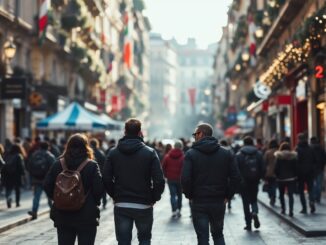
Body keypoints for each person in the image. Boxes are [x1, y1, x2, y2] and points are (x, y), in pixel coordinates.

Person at [103, 118, 165, 245]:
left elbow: (106, 178)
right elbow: (159, 180)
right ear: (139, 132)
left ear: (125, 132)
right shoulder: (150, 153)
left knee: (123, 241)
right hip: (144, 204)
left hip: (122, 204)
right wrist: (153, 197)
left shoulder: (113, 153)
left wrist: (115, 195)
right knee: (144, 240)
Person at [181, 123, 240, 245]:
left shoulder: (191, 154)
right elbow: (235, 177)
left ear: (201, 134)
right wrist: (227, 196)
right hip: (218, 200)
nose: (194, 137)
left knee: (203, 237)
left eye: (195, 134)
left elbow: (186, 179)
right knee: (218, 234)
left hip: (199, 201)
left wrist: (190, 195)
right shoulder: (226, 153)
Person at [44, 133, 104, 245]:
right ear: (86, 146)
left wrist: (59, 198)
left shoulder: (58, 164)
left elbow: (47, 184)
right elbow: (99, 189)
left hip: (63, 215)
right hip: (87, 216)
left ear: (68, 146)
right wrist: (93, 202)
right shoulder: (91, 165)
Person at [236, 136, 264, 231]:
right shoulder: (258, 154)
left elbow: (236, 170)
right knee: (254, 199)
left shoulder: (239, 155)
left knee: (245, 203)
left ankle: (248, 224)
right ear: (252, 143)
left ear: (243, 143)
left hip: (243, 182)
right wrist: (259, 178)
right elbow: (263, 168)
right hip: (255, 181)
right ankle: (255, 212)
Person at [27, 141, 55, 219]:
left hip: (36, 180)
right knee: (50, 197)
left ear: (40, 147)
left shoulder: (34, 155)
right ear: (48, 147)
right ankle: (54, 211)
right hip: (47, 181)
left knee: (36, 197)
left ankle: (34, 212)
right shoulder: (49, 155)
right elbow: (54, 168)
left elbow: (29, 166)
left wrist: (33, 176)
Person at [162, 140, 184, 218]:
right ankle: (179, 209)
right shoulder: (183, 157)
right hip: (180, 179)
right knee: (179, 195)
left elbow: (163, 167)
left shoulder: (167, 156)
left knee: (172, 195)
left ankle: (174, 210)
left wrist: (166, 176)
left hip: (170, 179)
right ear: (181, 147)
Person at [295, 133, 317, 214]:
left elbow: (296, 162)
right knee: (310, 189)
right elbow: (315, 161)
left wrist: (296, 173)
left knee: (301, 191)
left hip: (300, 174)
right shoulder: (310, 148)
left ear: (299, 139)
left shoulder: (297, 149)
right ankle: (311, 202)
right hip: (310, 172)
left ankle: (304, 208)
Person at [274, 142, 298, 217]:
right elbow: (296, 168)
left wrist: (277, 175)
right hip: (291, 179)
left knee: (281, 195)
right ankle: (291, 211)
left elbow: (276, 168)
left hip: (281, 179)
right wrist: (295, 176)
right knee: (291, 195)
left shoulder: (278, 157)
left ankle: (283, 209)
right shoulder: (293, 156)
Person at [1, 144, 25, 208]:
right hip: (16, 175)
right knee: (17, 189)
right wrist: (23, 174)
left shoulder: (6, 155)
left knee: (8, 188)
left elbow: (3, 164)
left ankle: (8, 198)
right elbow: (21, 166)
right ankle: (17, 203)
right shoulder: (19, 156)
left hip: (7, 174)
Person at [90, 138, 107, 209]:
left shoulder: (90, 153)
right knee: (103, 190)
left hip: (92, 174)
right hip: (101, 173)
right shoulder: (101, 153)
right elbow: (105, 163)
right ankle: (104, 202)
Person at [310, 137, 326, 203]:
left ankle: (313, 197)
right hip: (320, 169)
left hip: (312, 169)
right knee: (319, 184)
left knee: (313, 184)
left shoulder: (310, 149)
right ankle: (318, 197)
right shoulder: (321, 149)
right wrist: (322, 166)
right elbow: (324, 159)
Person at [263, 139, 279, 206]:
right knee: (274, 185)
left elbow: (264, 162)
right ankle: (273, 197)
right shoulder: (278, 152)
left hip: (268, 172)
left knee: (269, 185)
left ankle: (271, 196)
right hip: (277, 172)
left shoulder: (267, 152)